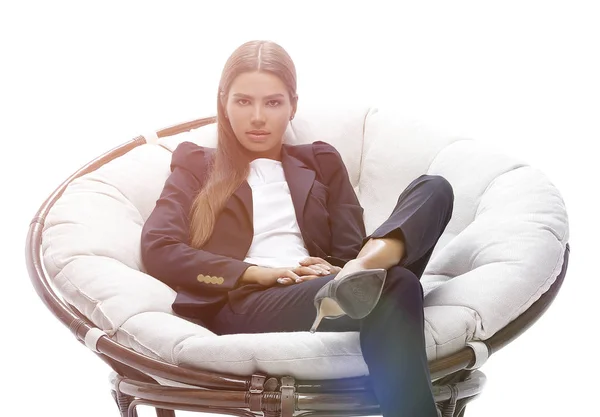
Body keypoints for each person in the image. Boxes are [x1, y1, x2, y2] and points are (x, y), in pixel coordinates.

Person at [141, 40, 453, 417]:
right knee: (398, 285)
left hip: (331, 284)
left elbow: (347, 242)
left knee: (434, 188)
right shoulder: (196, 164)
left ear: (293, 106)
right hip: (248, 301)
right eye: (243, 101)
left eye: (273, 102)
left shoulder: (320, 160)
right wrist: (261, 274)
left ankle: (362, 271)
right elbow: (159, 247)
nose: (258, 116)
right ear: (223, 102)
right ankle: (361, 281)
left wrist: (342, 267)